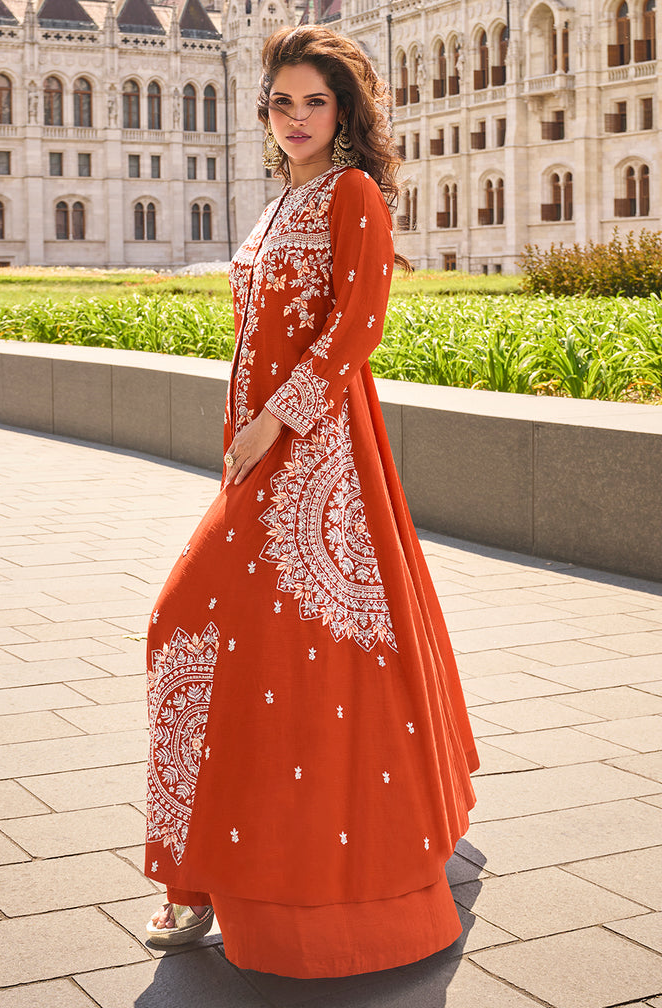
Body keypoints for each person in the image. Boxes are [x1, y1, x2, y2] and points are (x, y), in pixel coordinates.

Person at [144, 24, 479, 979]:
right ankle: (200, 877)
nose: (295, 118)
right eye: (282, 102)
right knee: (215, 643)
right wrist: (244, 436)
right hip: (256, 457)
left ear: (346, 111)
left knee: (280, 658)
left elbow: (356, 326)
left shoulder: (352, 194)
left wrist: (274, 427)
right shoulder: (281, 195)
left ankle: (301, 892)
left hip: (319, 463)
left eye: (314, 102)